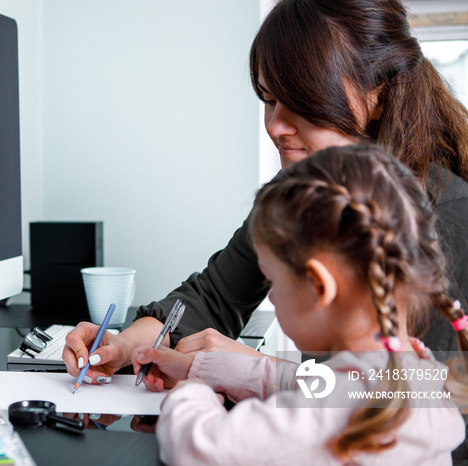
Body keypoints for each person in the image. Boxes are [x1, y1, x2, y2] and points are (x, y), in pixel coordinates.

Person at [63, 0, 468, 382]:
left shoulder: (451, 217)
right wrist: (125, 344)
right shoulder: (298, 194)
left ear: (377, 96)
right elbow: (215, 296)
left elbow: (427, 406)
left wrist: (262, 372)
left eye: (301, 100)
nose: (275, 125)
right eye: (269, 99)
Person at [133, 145, 467, 465]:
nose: (272, 297)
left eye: (273, 281)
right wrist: (203, 369)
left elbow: (202, 449)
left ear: (320, 286)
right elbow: (310, 381)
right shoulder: (412, 369)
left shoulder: (339, 414)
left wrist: (191, 396)